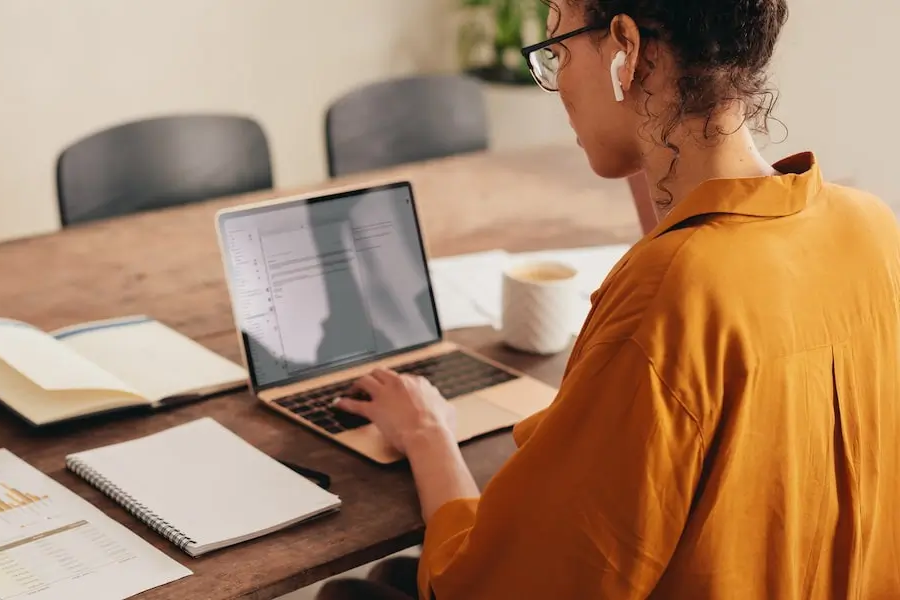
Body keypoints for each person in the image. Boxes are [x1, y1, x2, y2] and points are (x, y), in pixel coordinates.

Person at [319, 0, 900, 598]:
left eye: (557, 47)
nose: (556, 84)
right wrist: (643, 141)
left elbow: (496, 587)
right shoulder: (871, 227)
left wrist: (426, 433)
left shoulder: (670, 293)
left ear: (626, 44)